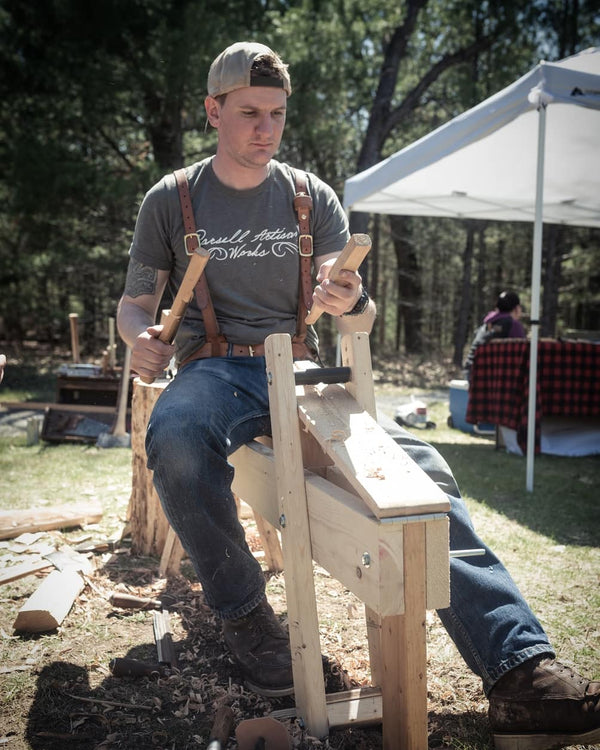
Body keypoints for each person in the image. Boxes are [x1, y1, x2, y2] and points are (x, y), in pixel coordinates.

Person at [117, 42, 599, 749]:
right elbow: (134, 304)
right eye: (248, 113)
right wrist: (140, 338)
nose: (265, 128)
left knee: (423, 476)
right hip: (215, 370)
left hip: (305, 370)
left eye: (276, 114)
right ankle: (249, 619)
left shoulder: (311, 197)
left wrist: (351, 300)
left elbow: (363, 316)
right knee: (177, 439)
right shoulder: (173, 198)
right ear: (213, 111)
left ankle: (520, 676)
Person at [463, 290, 526, 380]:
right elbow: (523, 351)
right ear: (516, 308)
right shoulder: (513, 324)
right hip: (489, 375)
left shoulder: (488, 322)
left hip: (471, 371)